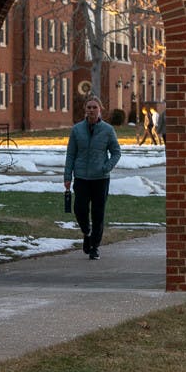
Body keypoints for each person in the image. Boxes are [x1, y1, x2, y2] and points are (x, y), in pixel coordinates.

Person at [64, 95, 122, 260]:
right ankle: (86, 232)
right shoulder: (77, 130)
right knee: (79, 209)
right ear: (85, 109)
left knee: (98, 213)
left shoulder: (107, 130)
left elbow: (116, 152)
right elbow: (71, 154)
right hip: (81, 177)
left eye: (94, 107)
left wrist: (106, 167)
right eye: (89, 107)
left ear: (100, 109)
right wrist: (67, 176)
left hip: (100, 179)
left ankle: (94, 246)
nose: (91, 110)